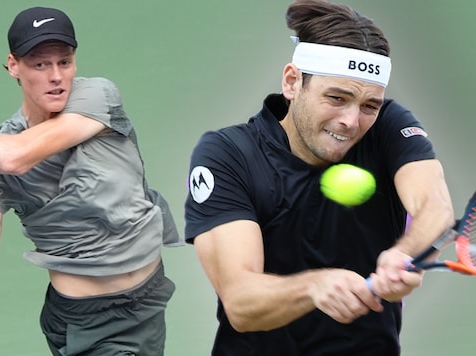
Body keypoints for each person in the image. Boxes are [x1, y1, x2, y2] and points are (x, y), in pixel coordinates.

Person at [0, 6, 180, 356]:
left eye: (65, 61)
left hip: (148, 302)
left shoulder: (97, 96)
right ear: (14, 65)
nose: (56, 76)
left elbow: (16, 156)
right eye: (41, 64)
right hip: (85, 324)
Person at [184, 0, 454, 355]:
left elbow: (435, 207)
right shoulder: (228, 154)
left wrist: (404, 253)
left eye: (369, 105)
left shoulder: (389, 126)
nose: (351, 121)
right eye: (336, 98)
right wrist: (315, 287)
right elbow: (241, 303)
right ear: (293, 82)